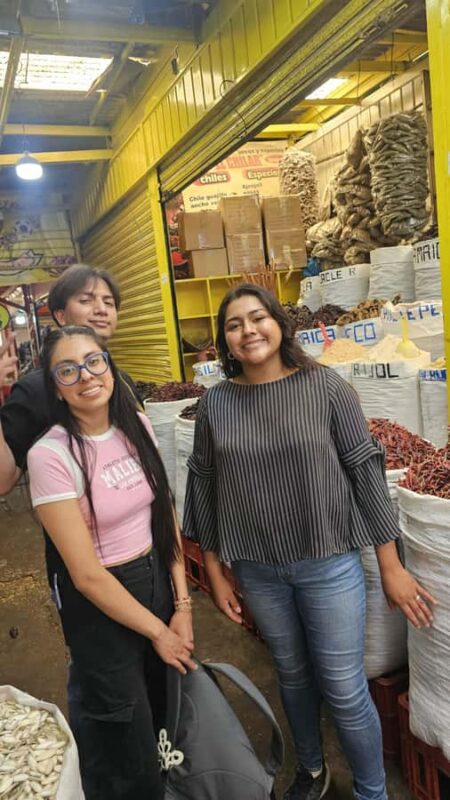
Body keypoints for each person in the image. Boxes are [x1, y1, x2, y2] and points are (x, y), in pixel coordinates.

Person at [183, 284, 437, 800]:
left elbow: (365, 473)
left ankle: (372, 792)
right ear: (225, 341)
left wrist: (390, 564)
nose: (248, 330)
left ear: (279, 324)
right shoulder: (216, 406)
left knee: (343, 689)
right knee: (292, 676)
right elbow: (203, 482)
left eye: (257, 318)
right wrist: (213, 569)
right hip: (257, 569)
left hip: (329, 564)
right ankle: (313, 770)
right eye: (234, 325)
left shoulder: (327, 388)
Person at [27, 325, 196, 800]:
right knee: (127, 733)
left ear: (109, 363)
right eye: (68, 369)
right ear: (55, 387)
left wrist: (181, 605)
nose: (85, 375)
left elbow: (164, 513)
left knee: (165, 710)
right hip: (103, 602)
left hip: (156, 578)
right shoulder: (50, 455)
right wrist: (159, 632)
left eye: (93, 361)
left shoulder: (136, 426)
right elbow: (85, 575)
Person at [0, 263, 139, 497]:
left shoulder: (121, 380)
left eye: (109, 302)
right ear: (61, 315)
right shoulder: (35, 389)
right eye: (86, 301)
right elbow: (4, 482)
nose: (101, 309)